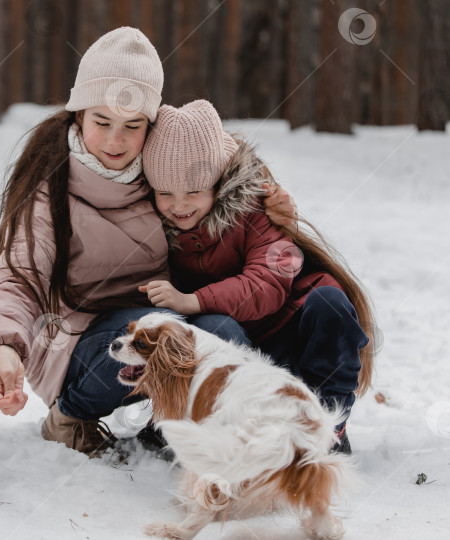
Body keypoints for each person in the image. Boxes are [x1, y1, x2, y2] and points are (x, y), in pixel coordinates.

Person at [0, 28, 295, 455]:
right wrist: (6, 349)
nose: (116, 141)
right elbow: (18, 277)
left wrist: (277, 212)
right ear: (79, 117)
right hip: (81, 343)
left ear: (151, 124)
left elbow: (221, 189)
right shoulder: (49, 190)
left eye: (133, 125)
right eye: (102, 122)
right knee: (158, 330)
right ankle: (70, 416)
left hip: (162, 324)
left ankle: (184, 428)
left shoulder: (166, 176)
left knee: (222, 331)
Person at [139, 100, 376, 454]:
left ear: (218, 183)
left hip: (284, 339)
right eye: (165, 193)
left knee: (331, 304)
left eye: (194, 191)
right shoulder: (150, 223)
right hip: (232, 347)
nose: (179, 205)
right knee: (217, 328)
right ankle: (207, 421)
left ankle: (327, 426)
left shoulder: (256, 206)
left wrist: (192, 299)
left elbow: (268, 282)